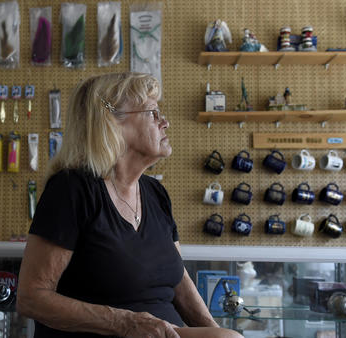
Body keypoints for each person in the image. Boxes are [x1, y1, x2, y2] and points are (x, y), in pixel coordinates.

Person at [17, 72, 243, 338]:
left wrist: (214, 331)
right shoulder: (71, 189)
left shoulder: (156, 193)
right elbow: (32, 297)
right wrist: (124, 323)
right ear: (111, 123)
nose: (165, 122)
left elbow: (179, 280)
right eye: (152, 113)